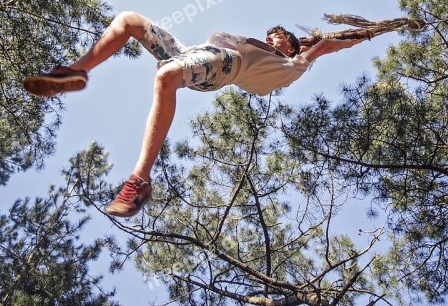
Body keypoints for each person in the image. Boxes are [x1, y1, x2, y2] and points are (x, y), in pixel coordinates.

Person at [22, 11, 368, 218]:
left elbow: (325, 46)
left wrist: (366, 33)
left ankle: (139, 181)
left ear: (291, 47)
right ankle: (75, 72)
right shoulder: (269, 50)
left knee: (165, 78)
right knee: (129, 20)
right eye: (270, 34)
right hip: (194, 55)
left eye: (277, 37)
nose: (270, 37)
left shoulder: (292, 64)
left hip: (227, 65)